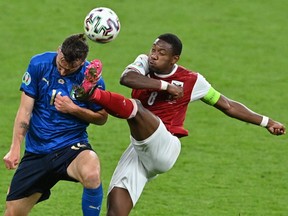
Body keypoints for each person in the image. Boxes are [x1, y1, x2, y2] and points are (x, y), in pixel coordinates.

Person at [74, 33, 286, 216]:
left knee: (136, 108)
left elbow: (228, 106)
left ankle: (92, 93)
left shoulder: (192, 80)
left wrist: (266, 122)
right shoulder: (143, 63)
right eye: (153, 49)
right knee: (115, 210)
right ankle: (92, 93)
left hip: (166, 146)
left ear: (174, 59)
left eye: (161, 53)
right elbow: (127, 78)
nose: (154, 55)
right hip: (139, 151)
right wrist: (165, 86)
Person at [3, 33, 108, 216]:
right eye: (60, 65)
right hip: (37, 152)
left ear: (82, 62)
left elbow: (101, 118)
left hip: (71, 147)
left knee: (91, 171)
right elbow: (25, 111)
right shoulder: (39, 64)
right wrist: (15, 147)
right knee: (13, 213)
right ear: (59, 50)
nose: (62, 72)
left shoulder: (91, 80)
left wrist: (73, 108)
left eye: (69, 69)